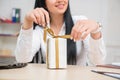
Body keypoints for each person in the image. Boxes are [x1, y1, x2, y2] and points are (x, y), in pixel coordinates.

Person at [15, 0, 106, 66]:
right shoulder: (40, 31)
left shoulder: (80, 23)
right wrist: (27, 21)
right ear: (43, 2)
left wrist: (96, 31)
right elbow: (22, 59)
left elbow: (98, 62)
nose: (60, 0)